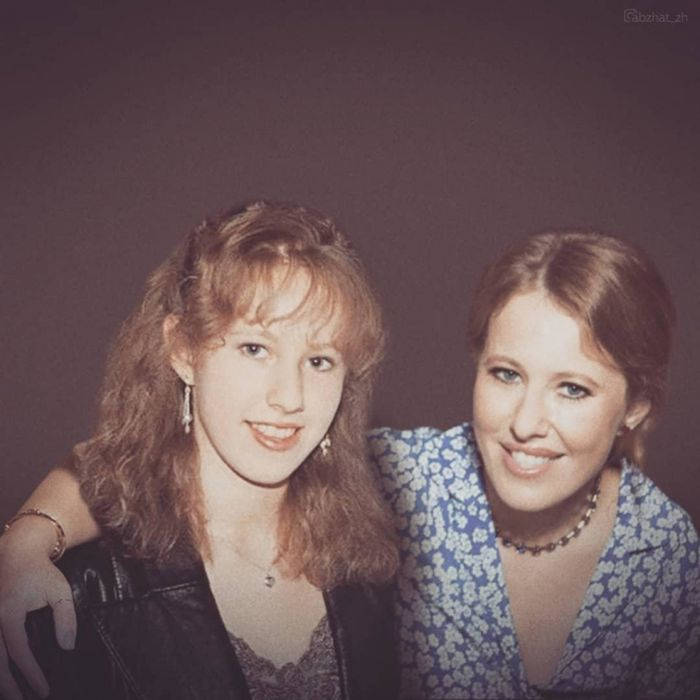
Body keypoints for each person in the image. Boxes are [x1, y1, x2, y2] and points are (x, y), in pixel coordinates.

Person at [2, 230, 698, 698]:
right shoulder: (411, 477)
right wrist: (27, 539)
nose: (525, 423)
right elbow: (124, 469)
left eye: (573, 388)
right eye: (506, 374)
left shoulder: (667, 556)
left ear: (635, 405)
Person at [0, 201, 400, 700]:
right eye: (255, 348)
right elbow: (105, 468)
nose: (290, 397)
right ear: (183, 350)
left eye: (319, 360)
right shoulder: (76, 592)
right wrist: (23, 541)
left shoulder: (376, 568)